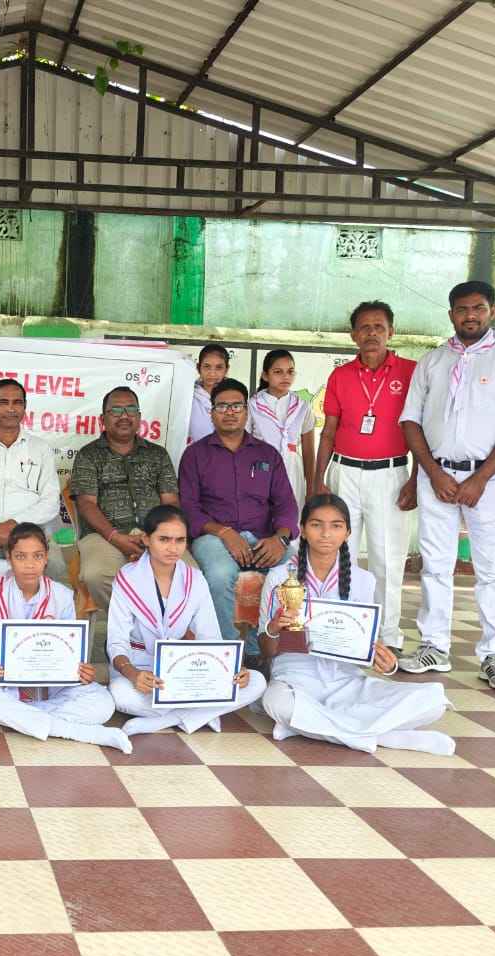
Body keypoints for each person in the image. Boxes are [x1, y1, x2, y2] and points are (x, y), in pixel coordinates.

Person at [398, 280, 495, 691]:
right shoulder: (432, 361)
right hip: (436, 475)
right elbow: (411, 421)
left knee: (491, 569)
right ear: (451, 314)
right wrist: (432, 472)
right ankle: (433, 646)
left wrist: (479, 478)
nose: (470, 315)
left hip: (488, 480)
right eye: (462, 309)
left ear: (492, 311)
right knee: (435, 565)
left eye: (478, 308)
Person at [259, 495, 454, 756]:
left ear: (348, 533)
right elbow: (266, 650)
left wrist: (383, 661)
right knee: (275, 702)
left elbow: (362, 649)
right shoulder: (279, 577)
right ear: (302, 530)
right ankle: (386, 737)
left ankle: (311, 726)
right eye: (316, 525)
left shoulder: (363, 580)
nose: (326, 533)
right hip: (296, 680)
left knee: (433, 700)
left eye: (336, 526)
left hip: (347, 683)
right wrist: (274, 627)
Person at [0, 523, 130, 753]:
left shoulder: (62, 596)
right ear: (9, 557)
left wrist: (81, 671)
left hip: (51, 685)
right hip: (4, 684)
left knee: (103, 703)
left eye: (37, 556)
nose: (30, 564)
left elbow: (70, 656)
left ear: (46, 557)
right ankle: (77, 731)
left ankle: (2, 717)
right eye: (20, 556)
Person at [314, 301, 418, 653]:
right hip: (343, 472)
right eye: (365, 327)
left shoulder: (411, 372)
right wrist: (318, 481)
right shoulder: (340, 376)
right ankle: (337, 633)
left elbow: (421, 431)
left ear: (391, 332)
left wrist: (415, 479)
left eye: (379, 327)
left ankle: (387, 636)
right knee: (336, 552)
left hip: (390, 474)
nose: (372, 333)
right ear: (353, 335)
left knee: (387, 559)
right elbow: (328, 431)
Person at [108, 505, 264, 734]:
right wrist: (133, 674)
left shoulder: (195, 579)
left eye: (180, 540)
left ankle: (163, 720)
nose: (173, 548)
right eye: (164, 539)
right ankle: (201, 714)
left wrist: (233, 668)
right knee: (120, 694)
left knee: (257, 682)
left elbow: (210, 637)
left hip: (184, 671)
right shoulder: (127, 578)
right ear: (146, 539)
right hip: (141, 668)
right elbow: (116, 641)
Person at [179, 378, 298, 657]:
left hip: (263, 537)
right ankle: (228, 651)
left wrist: (280, 539)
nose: (230, 412)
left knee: (291, 571)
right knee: (220, 575)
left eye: (236, 406)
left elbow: (286, 504)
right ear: (212, 412)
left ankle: (261, 651)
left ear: (247, 411)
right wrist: (224, 533)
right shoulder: (195, 455)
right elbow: (188, 507)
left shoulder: (268, 454)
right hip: (213, 537)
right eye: (222, 406)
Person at [0, 378, 66, 612]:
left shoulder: (40, 448)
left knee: (55, 563)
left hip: (32, 529)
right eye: (3, 402)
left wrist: (14, 527)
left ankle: (36, 622)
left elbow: (50, 501)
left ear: (25, 408)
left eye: (17, 402)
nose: (11, 408)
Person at [71, 385, 184, 611]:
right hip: (104, 536)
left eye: (131, 410)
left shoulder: (157, 454)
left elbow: (171, 502)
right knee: (96, 575)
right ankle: (132, 623)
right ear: (103, 419)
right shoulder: (88, 454)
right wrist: (115, 537)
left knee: (188, 574)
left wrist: (156, 535)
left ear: (139, 417)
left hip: (155, 535)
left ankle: (153, 625)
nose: (124, 416)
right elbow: (86, 504)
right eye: (116, 410)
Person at [249, 349, 316, 511]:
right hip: (261, 468)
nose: (286, 377)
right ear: (265, 375)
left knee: (291, 515)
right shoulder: (252, 405)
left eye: (290, 372)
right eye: (278, 372)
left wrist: (311, 487)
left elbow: (308, 451)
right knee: (262, 516)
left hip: (293, 469)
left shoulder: (302, 406)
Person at [188, 344, 229, 444]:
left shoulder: (235, 398)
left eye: (219, 367)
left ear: (226, 369)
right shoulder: (188, 397)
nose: (212, 373)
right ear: (198, 368)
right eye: (207, 367)